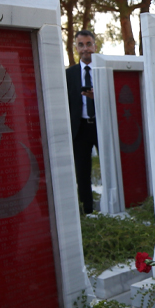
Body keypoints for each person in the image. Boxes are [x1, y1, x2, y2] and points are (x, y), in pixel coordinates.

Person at [66, 30, 99, 214]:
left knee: (110, 167)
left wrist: (97, 96)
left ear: (95, 46)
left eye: (88, 44)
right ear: (76, 48)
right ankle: (88, 210)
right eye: (81, 45)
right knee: (82, 172)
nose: (85, 48)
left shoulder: (104, 70)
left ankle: (113, 206)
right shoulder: (69, 74)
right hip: (80, 129)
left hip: (101, 126)